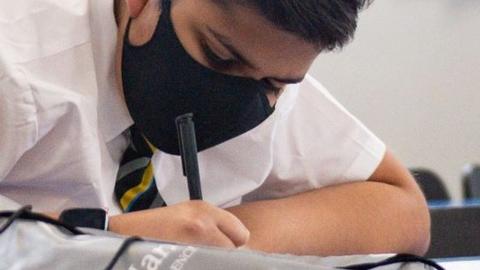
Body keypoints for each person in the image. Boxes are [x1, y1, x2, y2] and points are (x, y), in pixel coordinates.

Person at [0, 0, 430, 256]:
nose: (241, 98)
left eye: (275, 84)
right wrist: (118, 239)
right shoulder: (17, 67)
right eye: (219, 57)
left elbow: (401, 209)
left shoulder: (263, 64)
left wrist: (219, 240)